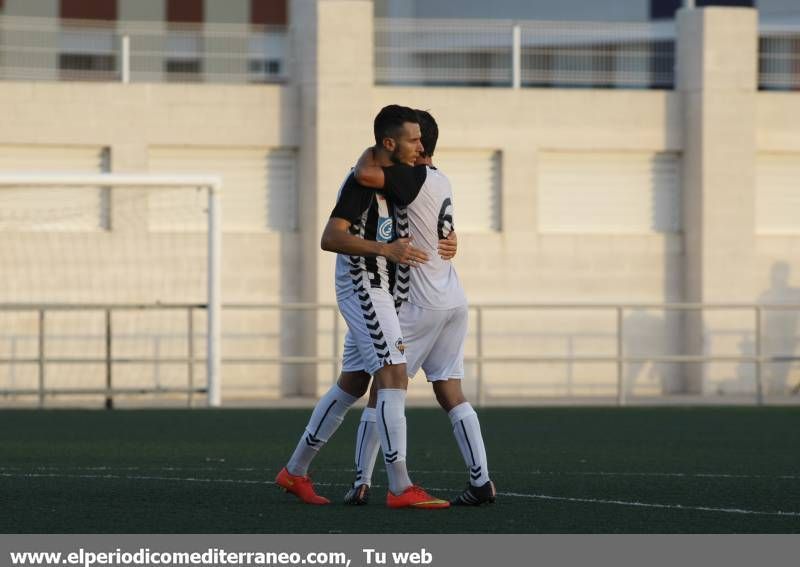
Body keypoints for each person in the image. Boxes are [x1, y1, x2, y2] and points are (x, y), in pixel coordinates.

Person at [275, 105, 452, 509]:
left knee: (353, 382)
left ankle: (295, 471)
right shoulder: (362, 183)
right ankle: (401, 486)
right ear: (390, 144)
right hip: (364, 286)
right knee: (394, 373)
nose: (421, 146)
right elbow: (330, 237)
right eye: (413, 139)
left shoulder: (399, 176)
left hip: (384, 289)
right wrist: (382, 249)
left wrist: (451, 237)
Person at [342, 109, 496, 507]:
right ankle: (481, 480)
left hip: (418, 300)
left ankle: (363, 481)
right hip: (453, 297)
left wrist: (372, 148)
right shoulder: (443, 179)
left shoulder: (409, 179)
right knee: (452, 392)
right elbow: (439, 229)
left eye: (411, 139)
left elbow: (364, 174)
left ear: (418, 145)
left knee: (384, 387)